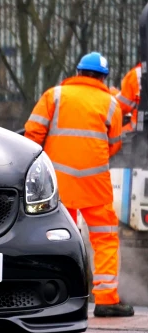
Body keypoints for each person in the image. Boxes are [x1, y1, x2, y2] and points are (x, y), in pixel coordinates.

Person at [24, 52, 135, 317]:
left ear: (78, 72)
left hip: (58, 186)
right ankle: (107, 299)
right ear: (103, 78)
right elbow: (114, 144)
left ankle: (56, 295)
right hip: (94, 185)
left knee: (56, 238)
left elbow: (32, 135)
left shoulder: (55, 95)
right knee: (105, 238)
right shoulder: (111, 103)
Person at [116, 63, 141, 134]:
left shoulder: (136, 74)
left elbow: (123, 105)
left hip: (139, 127)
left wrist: (112, 94)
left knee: (115, 135)